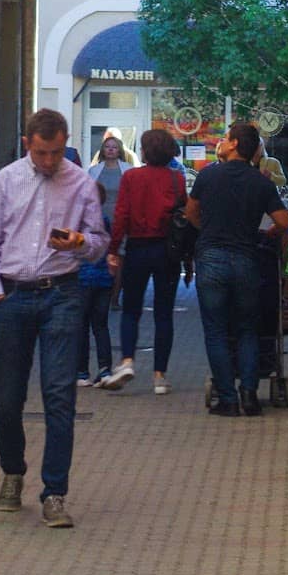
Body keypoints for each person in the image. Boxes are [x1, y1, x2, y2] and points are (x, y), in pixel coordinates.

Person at [0, 107, 109, 528]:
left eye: (56, 152)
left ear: (65, 143)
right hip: (12, 296)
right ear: (28, 144)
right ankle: (13, 470)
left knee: (59, 394)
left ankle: (55, 492)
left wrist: (81, 242)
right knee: (6, 397)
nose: (50, 162)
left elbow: (100, 242)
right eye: (42, 153)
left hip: (62, 294)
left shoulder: (81, 183)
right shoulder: (5, 182)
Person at [186, 120, 288, 418]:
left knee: (217, 331)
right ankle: (250, 395)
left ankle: (228, 399)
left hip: (212, 258)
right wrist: (267, 234)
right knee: (248, 330)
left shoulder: (208, 176)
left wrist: (206, 228)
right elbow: (284, 222)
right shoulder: (261, 182)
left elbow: (190, 212)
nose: (221, 140)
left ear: (234, 144)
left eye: (225, 137)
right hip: (247, 259)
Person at [100, 128, 186, 395]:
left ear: (146, 151)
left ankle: (127, 361)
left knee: (131, 310)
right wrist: (189, 257)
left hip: (137, 248)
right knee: (163, 314)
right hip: (167, 252)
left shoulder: (132, 177)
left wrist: (113, 250)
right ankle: (160, 376)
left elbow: (121, 215)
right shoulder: (177, 180)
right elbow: (183, 218)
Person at [77, 185, 114, 387]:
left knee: (81, 326)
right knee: (100, 326)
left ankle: (82, 372)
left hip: (82, 279)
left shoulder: (77, 222)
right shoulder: (105, 221)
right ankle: (105, 370)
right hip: (103, 279)